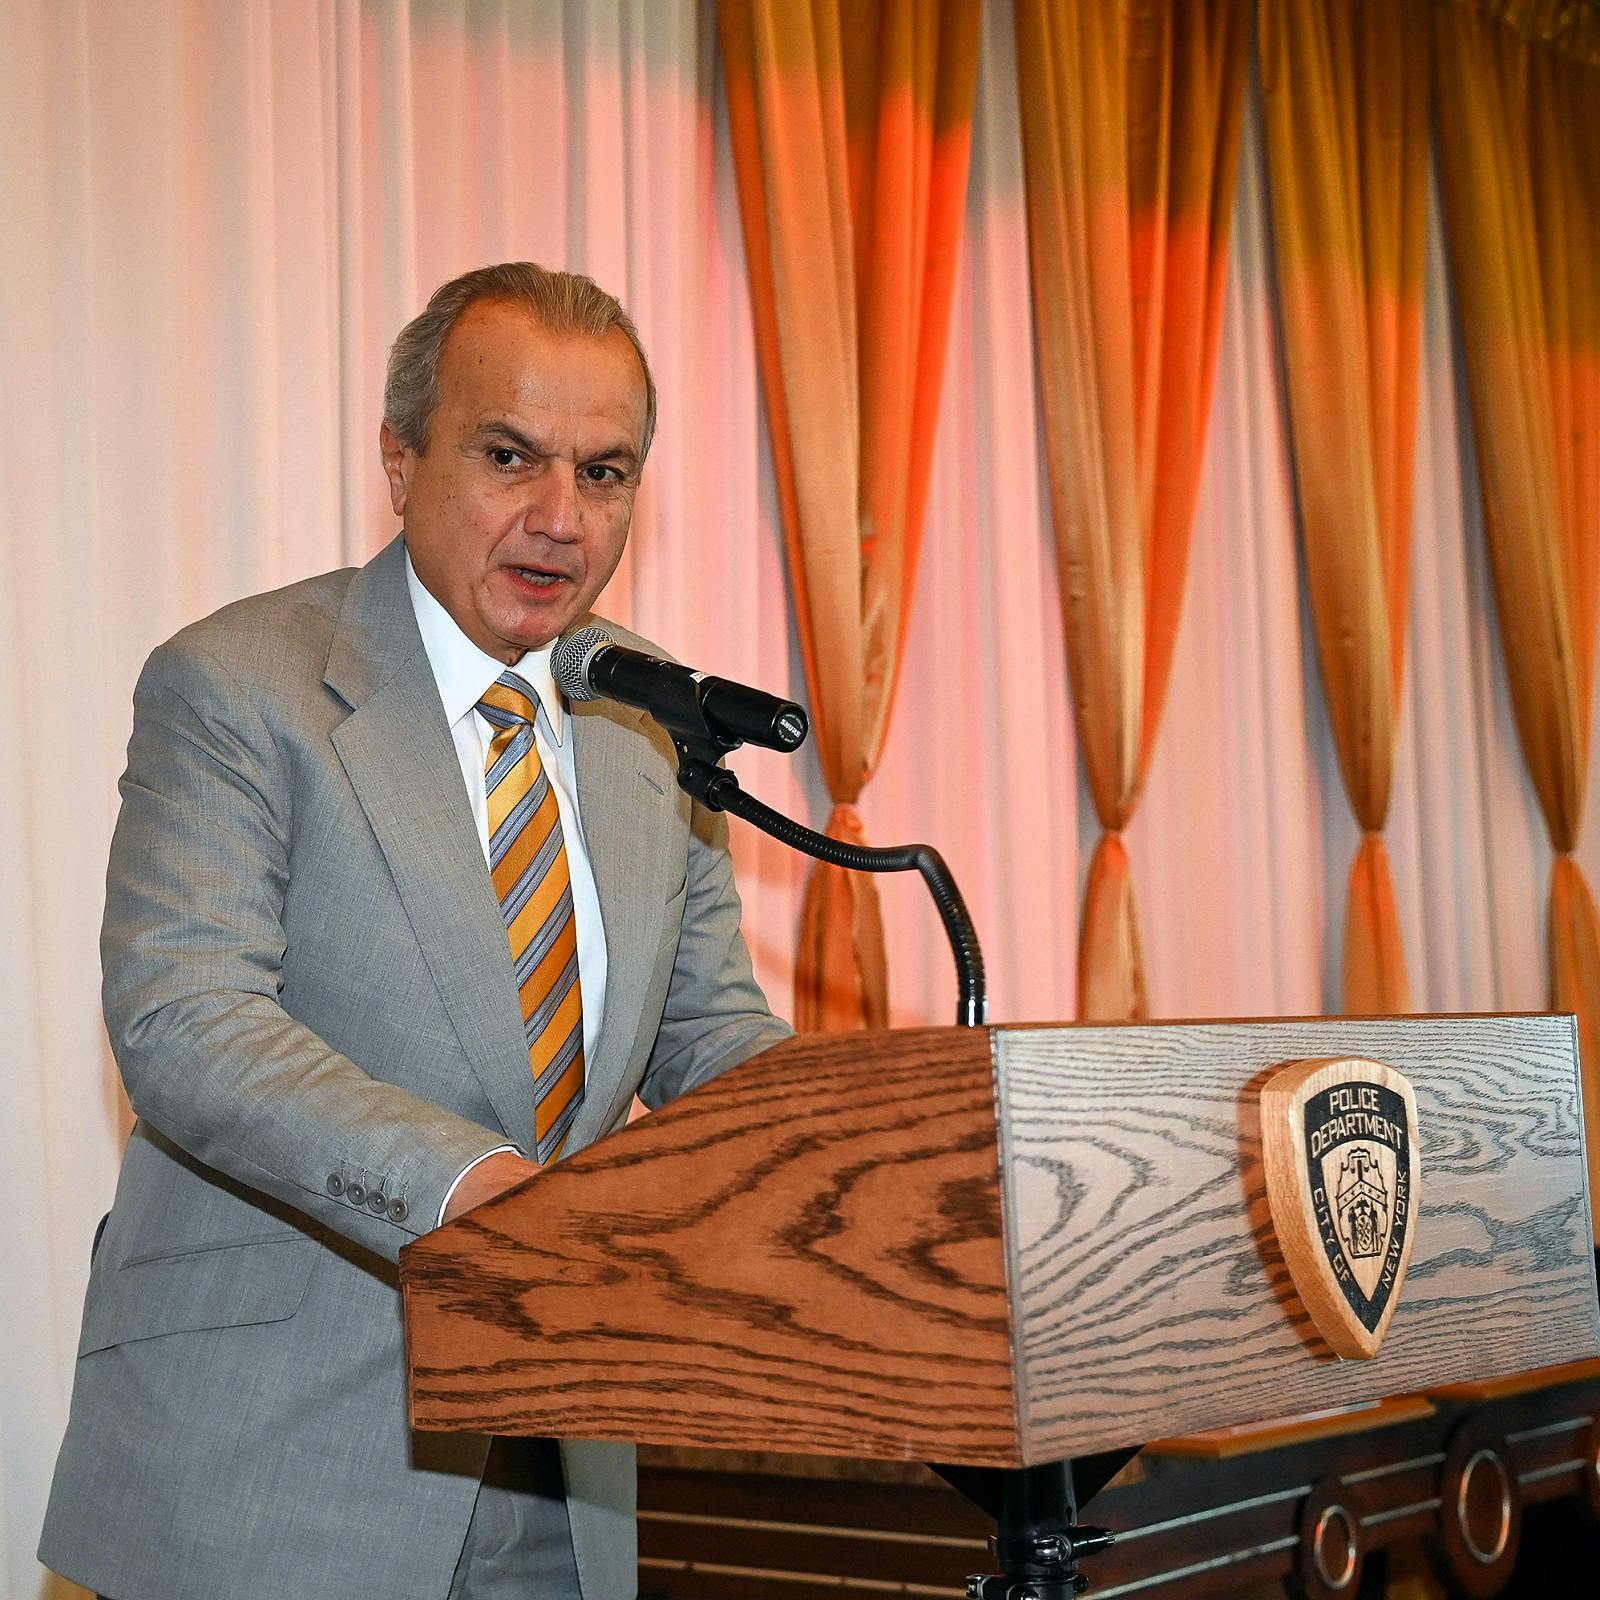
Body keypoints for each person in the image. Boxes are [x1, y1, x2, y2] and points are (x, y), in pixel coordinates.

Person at [39, 262, 792, 1600]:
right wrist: (474, 1191)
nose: (559, 517)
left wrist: (881, 1149)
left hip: (562, 1469)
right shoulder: (239, 684)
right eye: (509, 457)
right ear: (400, 459)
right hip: (270, 1466)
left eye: (604, 473)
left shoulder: (648, 719)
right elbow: (188, 1022)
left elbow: (707, 1038)